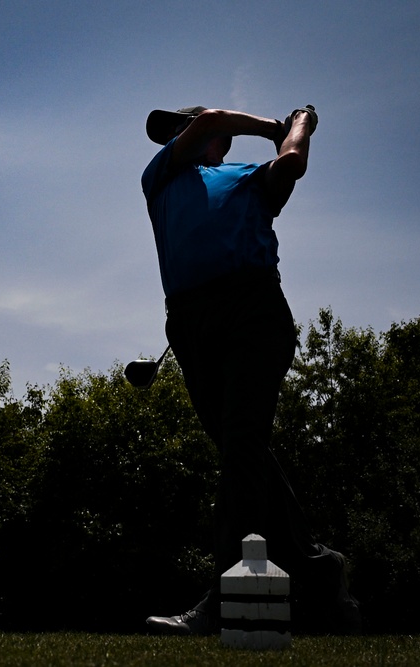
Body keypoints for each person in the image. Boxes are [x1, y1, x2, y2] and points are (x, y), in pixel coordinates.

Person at [139, 104, 361, 635]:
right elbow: (214, 118)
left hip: (252, 311)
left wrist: (300, 128)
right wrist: (274, 125)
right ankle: (320, 570)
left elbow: (289, 167)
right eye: (178, 130)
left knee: (241, 450)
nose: (177, 134)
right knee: (245, 455)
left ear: (219, 145)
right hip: (189, 323)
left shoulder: (244, 177)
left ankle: (224, 596)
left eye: (182, 126)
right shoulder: (160, 176)